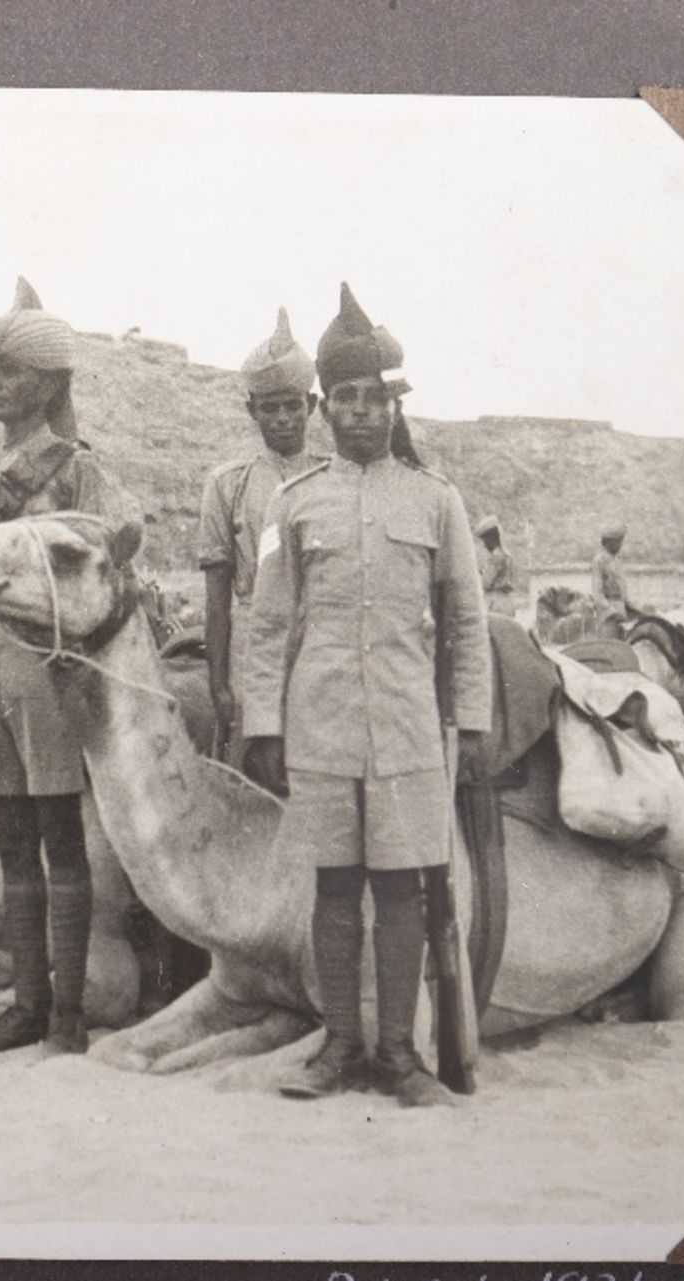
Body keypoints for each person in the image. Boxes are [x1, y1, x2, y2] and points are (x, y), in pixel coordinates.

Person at [241, 284, 490, 1107]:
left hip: (410, 731)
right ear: (326, 408)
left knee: (402, 889)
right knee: (336, 889)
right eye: (343, 398)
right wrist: (263, 722)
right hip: (320, 729)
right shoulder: (292, 502)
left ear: (393, 403)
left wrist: (475, 718)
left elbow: (464, 623)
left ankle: (398, 1057)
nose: (357, 413)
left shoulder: (436, 500)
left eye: (371, 398)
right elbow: (270, 622)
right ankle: (340, 1046)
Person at [0, 278, 128, 1056]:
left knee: (60, 838)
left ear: (49, 384)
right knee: (10, 841)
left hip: (47, 664)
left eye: (13, 372)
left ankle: (67, 1014)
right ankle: (26, 1001)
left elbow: (118, 544)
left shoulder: (77, 468)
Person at [198, 307, 329, 766]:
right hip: (251, 648)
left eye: (292, 405)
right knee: (252, 770)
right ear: (252, 411)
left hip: (321, 642)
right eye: (269, 408)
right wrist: (219, 682)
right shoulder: (227, 484)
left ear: (311, 406)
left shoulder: (334, 480)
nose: (283, 418)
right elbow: (217, 594)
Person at [476, 515, 520, 616]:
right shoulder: (507, 555)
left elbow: (485, 584)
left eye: (485, 540)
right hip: (507, 602)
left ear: (491, 538)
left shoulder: (495, 557)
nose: (485, 545)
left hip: (494, 603)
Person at [590, 521, 630, 626]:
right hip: (607, 615)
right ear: (609, 542)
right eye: (618, 541)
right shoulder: (599, 561)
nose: (620, 545)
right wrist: (612, 612)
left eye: (620, 541)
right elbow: (597, 594)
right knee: (611, 641)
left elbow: (623, 593)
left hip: (621, 611)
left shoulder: (617, 561)